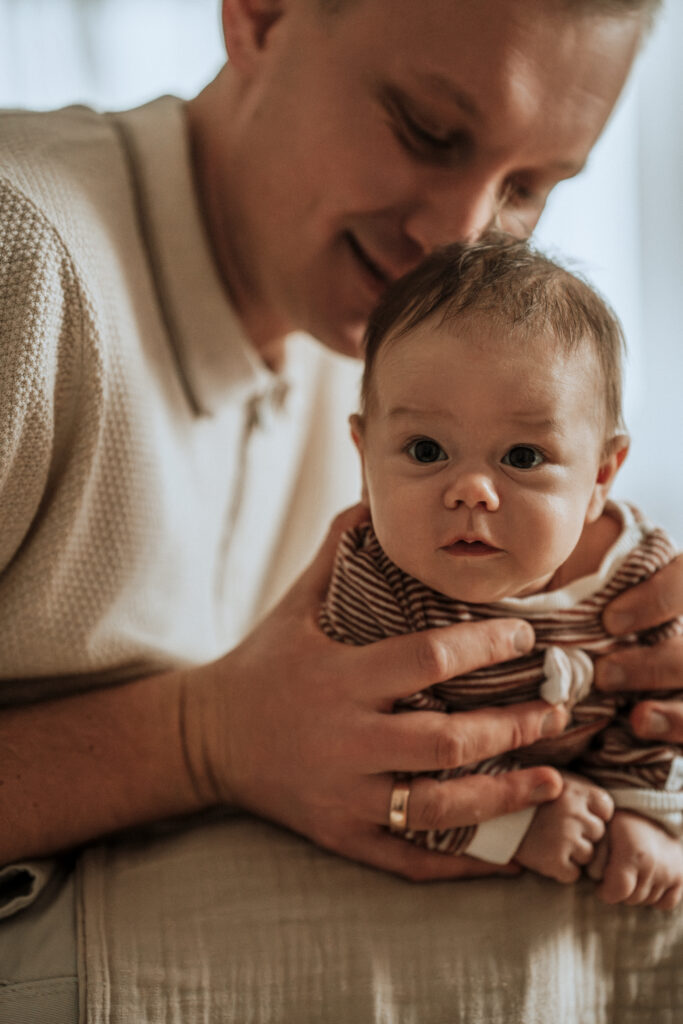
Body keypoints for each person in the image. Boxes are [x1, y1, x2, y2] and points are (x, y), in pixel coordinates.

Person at [1, 0, 683, 1019]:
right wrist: (202, 739)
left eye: (528, 187)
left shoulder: (383, 350)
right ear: (260, 15)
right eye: (425, 129)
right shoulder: (26, 258)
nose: (458, 240)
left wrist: (595, 594)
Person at [320, 235, 683, 908]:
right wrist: (514, 822)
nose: (471, 492)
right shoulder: (378, 585)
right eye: (426, 449)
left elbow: (655, 716)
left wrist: (642, 816)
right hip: (468, 799)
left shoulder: (635, 572)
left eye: (521, 456)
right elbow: (383, 749)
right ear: (364, 451)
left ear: (600, 476)